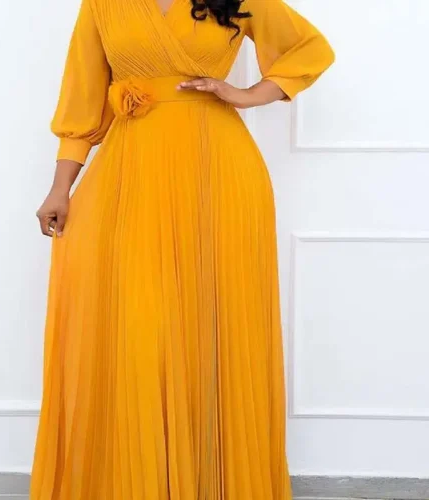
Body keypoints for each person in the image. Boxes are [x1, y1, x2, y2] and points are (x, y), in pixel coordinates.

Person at [31, 0, 334, 498]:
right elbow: (82, 97)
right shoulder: (102, 5)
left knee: (210, 325)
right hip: (130, 173)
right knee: (138, 322)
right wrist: (60, 187)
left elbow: (310, 48)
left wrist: (248, 95)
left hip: (216, 170)